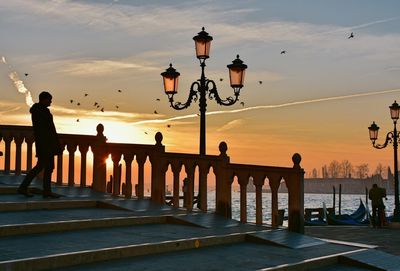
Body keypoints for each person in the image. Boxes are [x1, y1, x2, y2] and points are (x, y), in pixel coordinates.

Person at [18, 91, 62, 198]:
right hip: (45, 145)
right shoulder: (39, 112)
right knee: (41, 167)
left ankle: (44, 191)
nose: (51, 102)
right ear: (44, 99)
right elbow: (44, 131)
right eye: (49, 99)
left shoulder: (42, 111)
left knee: (47, 167)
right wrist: (50, 144)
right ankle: (25, 188)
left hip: (47, 145)